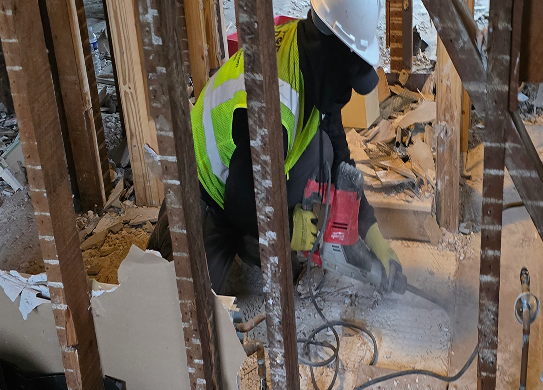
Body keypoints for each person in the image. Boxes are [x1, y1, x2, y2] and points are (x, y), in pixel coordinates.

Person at [147, 0, 402, 295]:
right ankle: (182, 231)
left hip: (251, 170)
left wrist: (373, 235)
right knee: (188, 302)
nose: (347, 93)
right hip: (205, 188)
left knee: (324, 149)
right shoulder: (273, 104)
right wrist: (291, 229)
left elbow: (340, 161)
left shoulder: (312, 57)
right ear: (331, 50)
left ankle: (254, 241)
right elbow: (242, 200)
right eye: (349, 75)